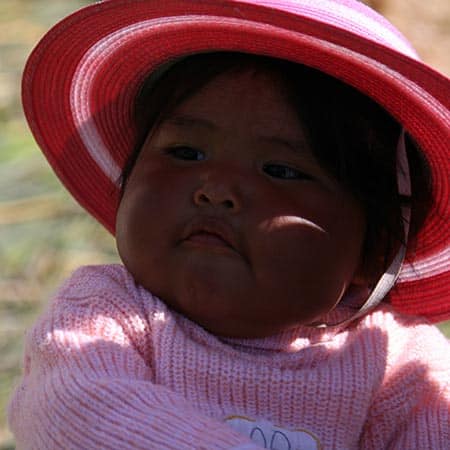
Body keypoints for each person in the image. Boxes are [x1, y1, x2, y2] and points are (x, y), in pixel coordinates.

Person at [8, 1, 449, 449]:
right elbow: (80, 409)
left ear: (373, 251)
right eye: (186, 153)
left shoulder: (399, 363)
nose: (215, 189)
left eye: (281, 170)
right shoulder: (105, 313)